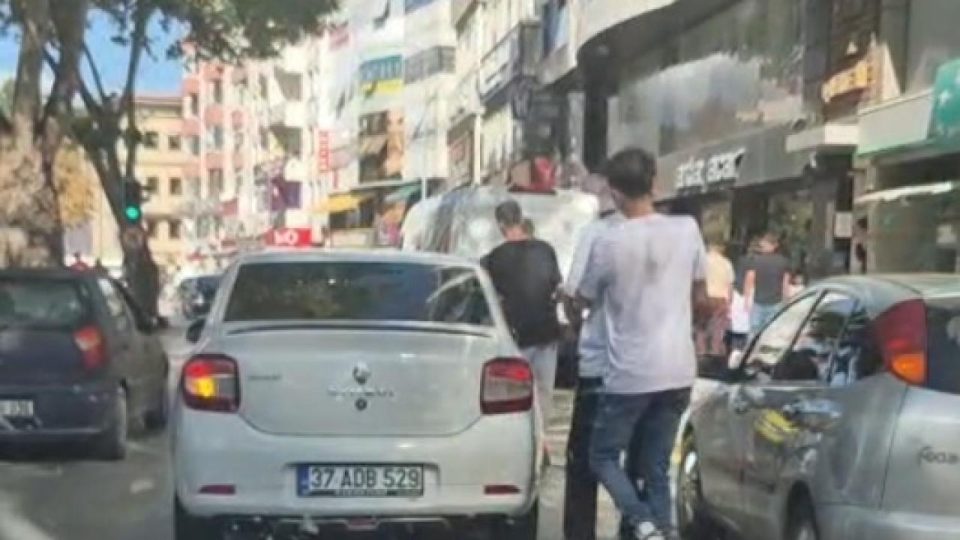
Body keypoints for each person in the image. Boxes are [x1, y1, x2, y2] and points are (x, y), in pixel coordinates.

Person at [578, 148, 708, 540]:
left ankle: (644, 523)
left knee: (602, 457)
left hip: (629, 374)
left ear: (614, 192)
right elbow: (701, 298)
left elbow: (582, 299)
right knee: (655, 467)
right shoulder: (687, 229)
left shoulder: (608, 242)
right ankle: (660, 532)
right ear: (654, 183)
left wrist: (568, 307)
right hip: (678, 369)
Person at [562, 175, 641, 540]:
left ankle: (581, 534)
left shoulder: (596, 234)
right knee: (639, 461)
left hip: (600, 366)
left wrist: (575, 319)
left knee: (584, 461)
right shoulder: (655, 234)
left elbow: (576, 292)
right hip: (643, 366)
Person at [483, 199, 563, 425]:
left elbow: (489, 298)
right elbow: (556, 287)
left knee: (515, 398)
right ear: (520, 218)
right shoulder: (545, 250)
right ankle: (541, 437)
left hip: (515, 337)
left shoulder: (494, 258)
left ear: (500, 224)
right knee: (543, 393)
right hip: (546, 334)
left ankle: (521, 437)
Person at [743, 232, 791, 335]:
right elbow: (785, 284)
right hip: (776, 302)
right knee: (772, 333)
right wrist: (786, 302)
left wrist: (747, 300)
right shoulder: (783, 261)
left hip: (758, 302)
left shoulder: (755, 260)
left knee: (754, 332)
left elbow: (749, 280)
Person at [694, 238, 734, 363]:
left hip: (703, 298)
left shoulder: (701, 262)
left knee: (701, 327)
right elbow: (730, 284)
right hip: (720, 298)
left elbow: (696, 281)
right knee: (718, 329)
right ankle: (715, 353)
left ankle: (701, 352)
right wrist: (730, 301)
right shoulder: (726, 263)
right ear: (721, 249)